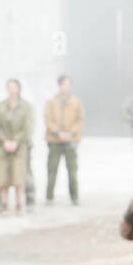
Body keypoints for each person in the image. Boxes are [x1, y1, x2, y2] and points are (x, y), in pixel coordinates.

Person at [0, 79, 33, 214]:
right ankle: (3, 204)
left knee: (18, 176)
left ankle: (19, 204)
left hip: (20, 146)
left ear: (19, 89)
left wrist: (16, 141)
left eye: (14, 87)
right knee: (3, 177)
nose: (12, 90)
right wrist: (5, 140)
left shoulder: (26, 107)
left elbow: (28, 127)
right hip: (3, 146)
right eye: (9, 87)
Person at [44, 75, 85, 205]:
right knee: (52, 170)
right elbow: (48, 119)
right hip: (54, 140)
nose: (65, 87)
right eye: (63, 84)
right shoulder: (51, 102)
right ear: (59, 85)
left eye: (68, 84)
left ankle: (75, 197)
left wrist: (71, 133)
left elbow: (80, 120)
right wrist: (58, 133)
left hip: (71, 140)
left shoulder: (76, 102)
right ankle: (49, 197)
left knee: (72, 170)